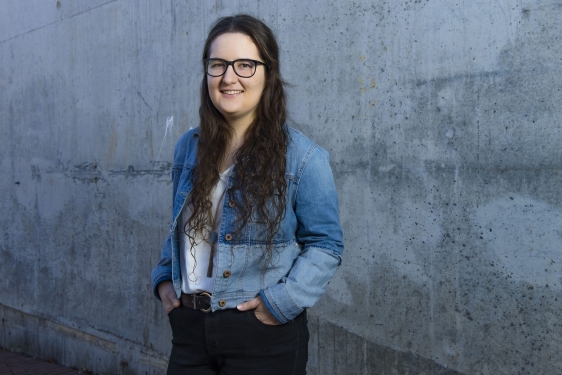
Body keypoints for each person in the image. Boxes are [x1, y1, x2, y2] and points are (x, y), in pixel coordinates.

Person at [151, 14, 344, 375]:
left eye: (245, 65)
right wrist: (164, 276)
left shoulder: (303, 158)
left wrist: (280, 303)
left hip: (261, 334)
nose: (228, 77)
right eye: (217, 64)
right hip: (190, 329)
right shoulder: (187, 148)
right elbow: (178, 225)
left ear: (268, 73)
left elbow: (325, 244)